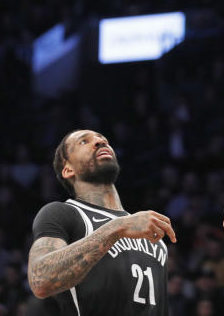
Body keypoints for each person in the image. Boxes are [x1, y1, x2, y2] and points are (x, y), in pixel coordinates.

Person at [27, 129, 177, 315]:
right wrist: (117, 227)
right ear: (68, 169)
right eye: (84, 141)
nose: (99, 142)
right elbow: (41, 280)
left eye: (103, 139)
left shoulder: (147, 229)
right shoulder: (63, 213)